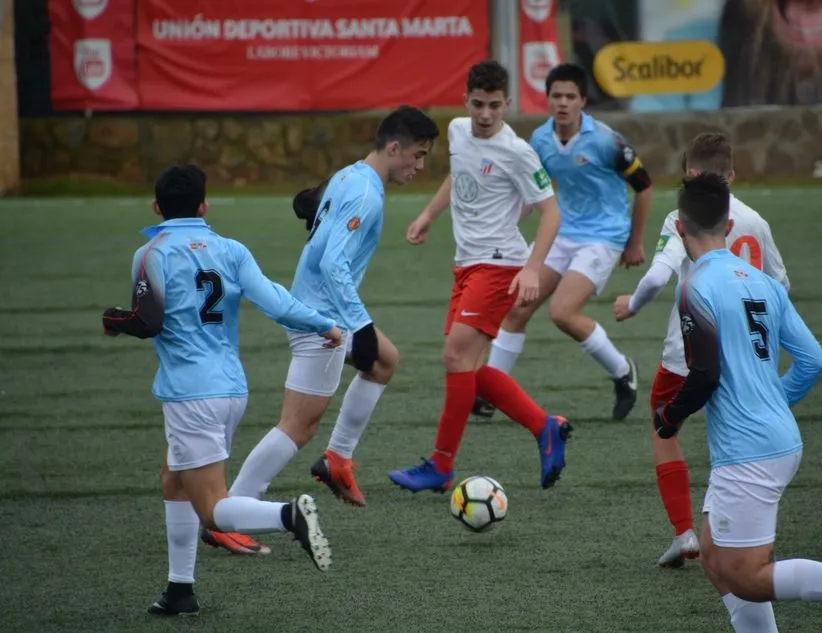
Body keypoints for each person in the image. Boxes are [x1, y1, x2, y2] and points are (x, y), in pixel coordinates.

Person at [653, 172, 822, 633]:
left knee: (749, 577)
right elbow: (812, 359)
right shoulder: (764, 283)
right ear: (729, 224)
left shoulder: (693, 287)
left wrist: (669, 416)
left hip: (748, 452)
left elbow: (704, 375)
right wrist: (771, 400)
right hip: (773, 438)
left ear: (680, 229)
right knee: (715, 560)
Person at [201, 106, 441, 555]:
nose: (421, 166)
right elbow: (333, 263)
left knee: (384, 362)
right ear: (395, 148)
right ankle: (229, 512)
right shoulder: (367, 195)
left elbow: (318, 206)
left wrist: (314, 203)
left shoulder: (350, 174)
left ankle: (337, 459)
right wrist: (359, 324)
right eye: (419, 155)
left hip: (317, 308)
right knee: (297, 425)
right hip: (321, 320)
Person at [101, 165, 340, 616]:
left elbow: (146, 321)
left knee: (211, 508)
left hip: (190, 395)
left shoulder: (151, 253)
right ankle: (180, 591)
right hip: (231, 390)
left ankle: (288, 515)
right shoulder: (231, 249)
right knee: (174, 479)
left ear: (156, 208)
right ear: (204, 206)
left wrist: (112, 319)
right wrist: (323, 324)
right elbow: (274, 301)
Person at [388, 60, 572, 493]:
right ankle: (544, 427)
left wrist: (532, 268)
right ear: (465, 101)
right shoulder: (456, 131)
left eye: (494, 105)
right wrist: (429, 214)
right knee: (468, 366)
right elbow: (459, 176)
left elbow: (551, 213)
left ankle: (441, 465)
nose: (485, 114)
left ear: (507, 103)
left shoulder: (518, 152)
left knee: (455, 357)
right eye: (477, 104)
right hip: (466, 263)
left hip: (500, 264)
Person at [613, 132, 789, 568]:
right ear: (732, 175)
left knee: (664, 426)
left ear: (690, 174)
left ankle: (685, 533)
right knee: (742, 439)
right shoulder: (755, 221)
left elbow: (657, 276)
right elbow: (781, 286)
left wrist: (631, 305)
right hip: (748, 356)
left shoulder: (682, 217)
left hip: (688, 353)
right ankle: (756, 539)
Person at [472, 63, 653, 423]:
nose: (563, 103)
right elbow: (534, 192)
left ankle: (623, 371)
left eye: (571, 96)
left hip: (603, 236)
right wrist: (505, 225)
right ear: (548, 99)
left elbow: (644, 187)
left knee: (562, 312)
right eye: (557, 96)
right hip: (562, 232)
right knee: (517, 307)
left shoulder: (606, 140)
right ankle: (493, 390)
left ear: (583, 101)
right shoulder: (540, 140)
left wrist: (635, 241)